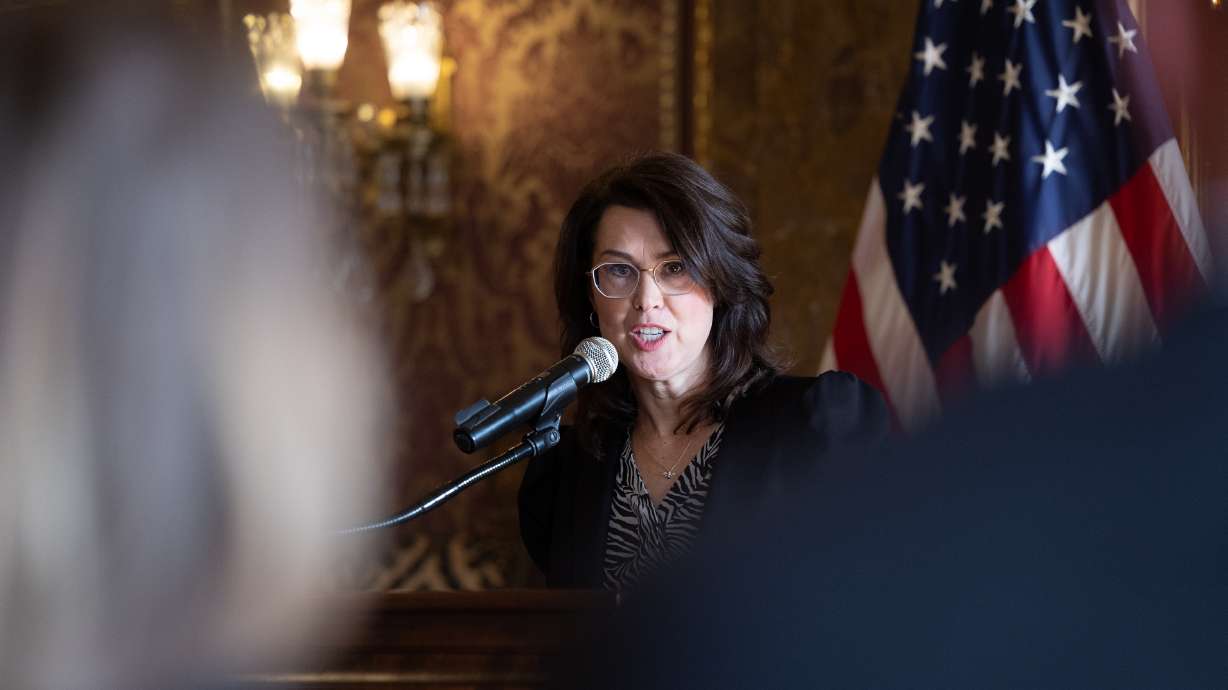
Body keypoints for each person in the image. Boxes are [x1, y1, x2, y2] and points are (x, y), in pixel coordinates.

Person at [518, 152, 889, 589]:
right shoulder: (566, 469)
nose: (646, 300)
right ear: (591, 298)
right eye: (619, 270)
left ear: (720, 282)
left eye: (675, 267)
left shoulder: (820, 426)